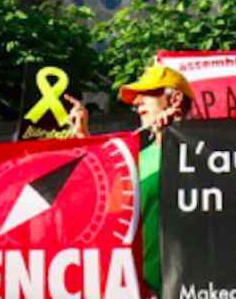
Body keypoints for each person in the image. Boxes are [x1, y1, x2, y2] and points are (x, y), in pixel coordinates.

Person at [74, 63, 194, 297]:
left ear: (176, 99)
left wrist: (180, 136)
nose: (137, 105)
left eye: (146, 96)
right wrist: (83, 141)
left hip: (197, 287)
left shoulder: (208, 154)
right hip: (142, 290)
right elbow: (108, 215)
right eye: (136, 101)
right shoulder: (136, 160)